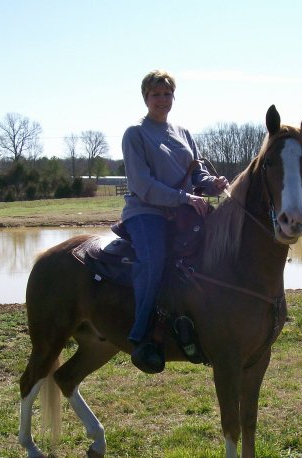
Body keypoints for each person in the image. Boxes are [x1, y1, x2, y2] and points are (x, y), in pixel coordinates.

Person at [121, 69, 228, 374]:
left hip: (182, 212)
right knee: (154, 262)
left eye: (167, 94)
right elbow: (143, 185)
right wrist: (185, 198)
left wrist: (213, 184)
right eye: (156, 94)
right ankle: (141, 336)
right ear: (145, 98)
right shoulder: (135, 134)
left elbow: (197, 176)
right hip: (146, 212)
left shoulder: (184, 133)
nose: (162, 100)